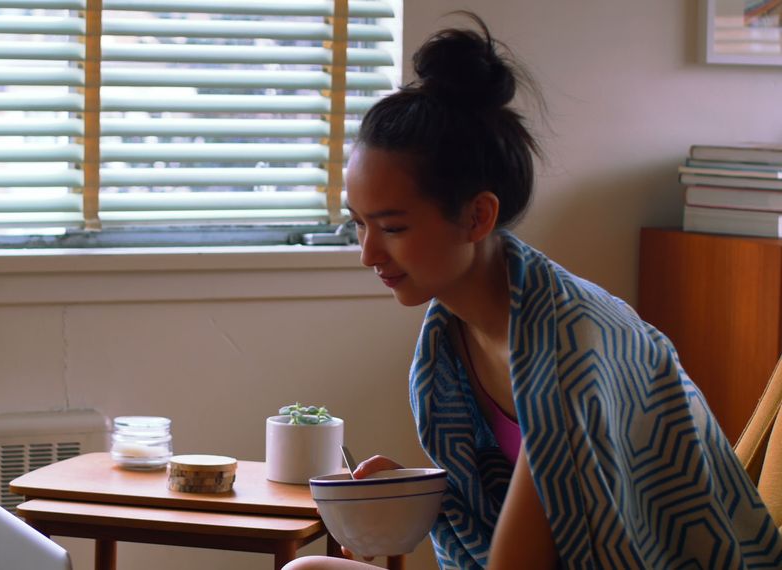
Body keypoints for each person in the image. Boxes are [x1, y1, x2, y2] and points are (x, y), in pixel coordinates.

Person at [285, 12, 782, 570]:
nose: (369, 253)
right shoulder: (450, 341)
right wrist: (414, 494)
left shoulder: (569, 348)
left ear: (477, 216)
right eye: (360, 223)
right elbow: (513, 504)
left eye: (394, 228)